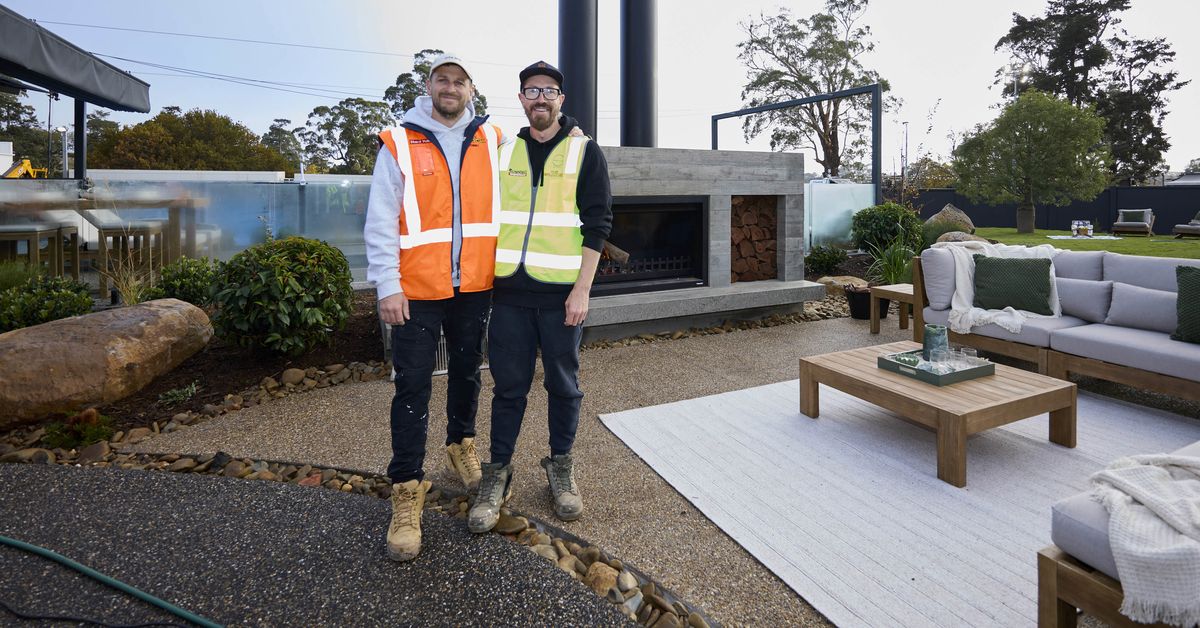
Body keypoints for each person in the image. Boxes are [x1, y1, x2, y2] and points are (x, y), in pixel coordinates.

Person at [364, 54, 501, 562]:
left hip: (475, 287)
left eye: (459, 81)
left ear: (470, 90)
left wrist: (572, 129)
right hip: (417, 290)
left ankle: (461, 444)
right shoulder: (399, 141)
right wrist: (387, 286)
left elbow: (538, 152)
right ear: (429, 86)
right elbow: (381, 219)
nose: (450, 88)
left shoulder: (492, 139)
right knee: (412, 386)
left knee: (467, 373)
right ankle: (406, 489)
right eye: (442, 80)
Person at [469, 61, 613, 533]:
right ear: (521, 99)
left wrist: (582, 291)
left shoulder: (584, 151)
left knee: (564, 386)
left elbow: (598, 225)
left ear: (561, 100)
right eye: (532, 91)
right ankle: (497, 473)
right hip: (509, 293)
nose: (541, 99)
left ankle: (561, 467)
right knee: (508, 388)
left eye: (549, 91)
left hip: (561, 297)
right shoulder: (503, 151)